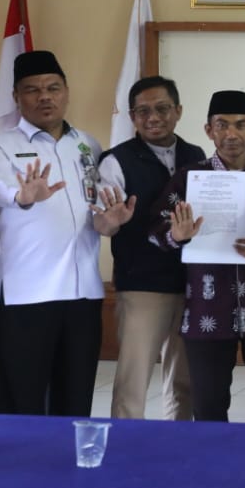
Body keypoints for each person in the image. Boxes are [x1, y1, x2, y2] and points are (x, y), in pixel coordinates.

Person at [0, 50, 127, 415]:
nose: (44, 96)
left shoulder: (87, 144)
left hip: (82, 292)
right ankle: (20, 453)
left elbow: (96, 208)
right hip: (26, 295)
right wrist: (22, 196)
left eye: (53, 88)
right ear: (16, 97)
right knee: (21, 401)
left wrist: (111, 223)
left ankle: (68, 452)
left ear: (66, 92)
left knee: (75, 397)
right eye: (32, 90)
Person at [148, 90, 245, 423]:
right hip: (207, 310)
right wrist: (177, 236)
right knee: (208, 405)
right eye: (222, 125)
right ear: (208, 130)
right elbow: (155, 231)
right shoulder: (190, 178)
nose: (231, 134)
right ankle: (214, 456)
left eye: (241, 125)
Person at [98, 75, 205, 420]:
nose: (153, 117)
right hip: (141, 285)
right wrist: (113, 221)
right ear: (132, 116)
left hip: (189, 283)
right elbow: (103, 223)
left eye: (162, 108)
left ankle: (177, 441)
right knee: (134, 381)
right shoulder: (116, 160)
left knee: (184, 381)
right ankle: (126, 444)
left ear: (178, 111)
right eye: (143, 111)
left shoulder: (196, 155)